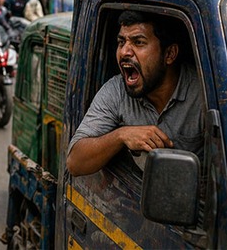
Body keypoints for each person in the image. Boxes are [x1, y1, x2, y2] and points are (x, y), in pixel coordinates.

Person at [66, 10, 203, 177]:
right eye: (121, 42)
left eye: (138, 42)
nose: (124, 52)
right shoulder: (117, 91)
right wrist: (122, 135)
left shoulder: (203, 95)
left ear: (169, 54)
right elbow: (75, 163)